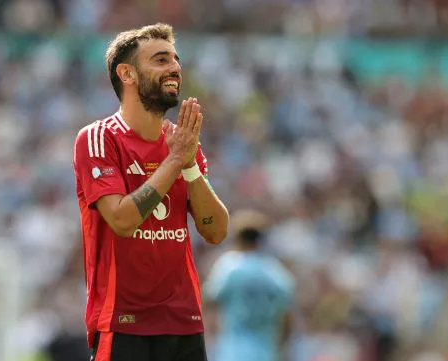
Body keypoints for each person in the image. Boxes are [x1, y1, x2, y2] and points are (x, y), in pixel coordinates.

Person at [73, 23, 229, 361]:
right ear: (127, 73)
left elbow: (216, 231)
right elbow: (122, 219)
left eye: (175, 59)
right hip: (123, 320)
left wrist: (187, 163)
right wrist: (175, 160)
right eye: (160, 59)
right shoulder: (99, 138)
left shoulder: (182, 141)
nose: (174, 67)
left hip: (183, 321)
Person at [203, 209, 295, 361]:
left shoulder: (229, 267)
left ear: (238, 238)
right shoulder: (275, 271)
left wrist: (212, 335)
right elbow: (287, 317)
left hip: (233, 351)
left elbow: (209, 301)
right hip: (265, 351)